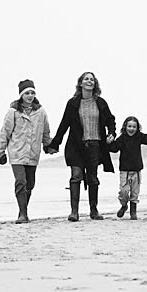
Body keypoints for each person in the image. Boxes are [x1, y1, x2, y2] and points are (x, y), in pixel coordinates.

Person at [47, 72, 116, 222]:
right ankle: (74, 212)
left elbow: (110, 120)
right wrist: (55, 144)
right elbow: (64, 124)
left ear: (95, 83)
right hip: (76, 145)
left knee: (92, 178)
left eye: (92, 79)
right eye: (86, 79)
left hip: (95, 145)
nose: (89, 81)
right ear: (80, 83)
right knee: (76, 176)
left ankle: (93, 210)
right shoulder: (73, 103)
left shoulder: (101, 102)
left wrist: (112, 133)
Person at [0, 79, 55, 224]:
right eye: (27, 93)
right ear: (21, 95)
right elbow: (5, 133)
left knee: (30, 184)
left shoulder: (41, 112)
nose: (30, 95)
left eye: (32, 92)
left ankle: (24, 211)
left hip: (33, 154)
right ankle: (22, 214)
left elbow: (46, 132)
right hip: (17, 153)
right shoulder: (13, 112)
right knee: (21, 182)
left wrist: (49, 146)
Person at [108, 116, 147, 220]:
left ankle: (133, 213)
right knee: (123, 192)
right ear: (125, 127)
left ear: (137, 128)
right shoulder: (122, 138)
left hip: (137, 170)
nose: (131, 129)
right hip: (124, 171)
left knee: (135, 193)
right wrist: (109, 143)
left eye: (134, 127)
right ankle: (124, 205)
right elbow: (114, 148)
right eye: (129, 126)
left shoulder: (139, 137)